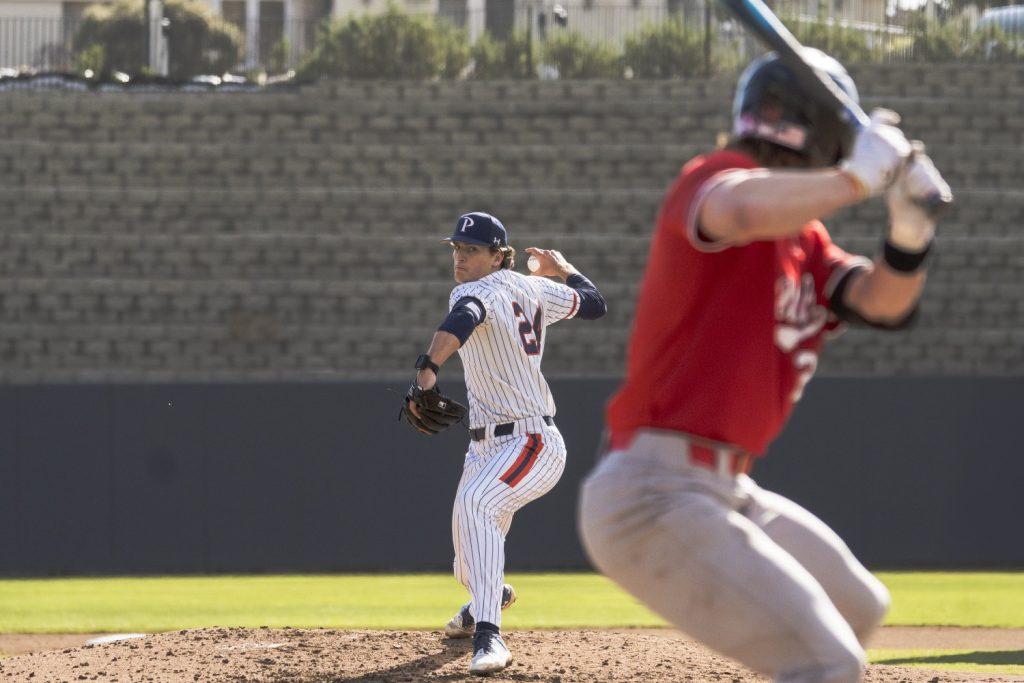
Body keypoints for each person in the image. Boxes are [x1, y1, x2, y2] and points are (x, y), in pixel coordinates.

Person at [577, 49, 952, 683]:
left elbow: (881, 302)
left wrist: (910, 236)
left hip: (726, 487)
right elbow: (740, 209)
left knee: (859, 607)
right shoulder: (716, 174)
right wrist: (855, 181)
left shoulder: (805, 239)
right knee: (827, 664)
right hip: (653, 491)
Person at [402, 211, 606, 675]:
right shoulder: (535, 289)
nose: (460, 257)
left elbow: (464, 316)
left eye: (471, 250)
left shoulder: (480, 290)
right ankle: (484, 601)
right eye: (456, 248)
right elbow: (593, 301)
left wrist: (427, 369)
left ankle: (489, 636)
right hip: (485, 447)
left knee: (477, 505)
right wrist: (565, 269)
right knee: (465, 555)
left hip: (532, 440)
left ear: (498, 256)